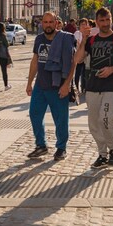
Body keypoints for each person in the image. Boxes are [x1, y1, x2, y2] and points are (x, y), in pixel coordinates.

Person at [73, 8, 113, 170]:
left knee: (106, 119)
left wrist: (112, 69)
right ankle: (102, 153)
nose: (105, 24)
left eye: (107, 20)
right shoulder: (91, 41)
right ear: (96, 22)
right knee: (93, 124)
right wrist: (83, 40)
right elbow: (77, 59)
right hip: (92, 86)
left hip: (112, 86)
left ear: (111, 20)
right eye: (102, 21)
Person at [25, 13, 76, 161]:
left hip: (58, 84)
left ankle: (61, 148)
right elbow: (35, 61)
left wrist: (67, 84)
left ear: (56, 23)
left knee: (60, 119)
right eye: (45, 22)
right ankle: (41, 145)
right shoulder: (39, 39)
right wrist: (29, 83)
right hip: (41, 84)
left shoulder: (65, 39)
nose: (47, 25)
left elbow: (73, 63)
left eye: (50, 22)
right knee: (34, 114)